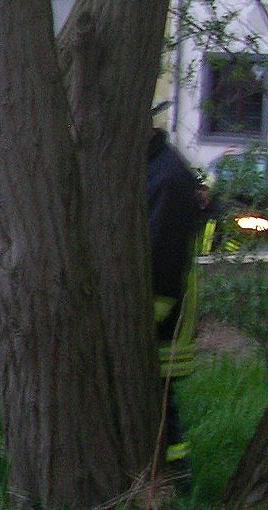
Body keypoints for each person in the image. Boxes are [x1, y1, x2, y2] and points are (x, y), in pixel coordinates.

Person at [147, 126, 205, 483]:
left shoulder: (167, 177)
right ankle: (172, 472)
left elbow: (164, 259)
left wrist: (147, 318)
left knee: (158, 400)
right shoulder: (159, 168)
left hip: (165, 308)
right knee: (159, 401)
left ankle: (175, 478)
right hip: (164, 305)